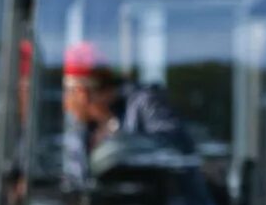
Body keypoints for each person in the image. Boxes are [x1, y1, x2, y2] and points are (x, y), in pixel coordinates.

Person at [59, 41, 193, 189]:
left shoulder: (145, 104)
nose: (66, 105)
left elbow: (177, 152)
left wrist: (120, 146)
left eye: (68, 93)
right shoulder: (80, 133)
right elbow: (74, 181)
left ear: (81, 93)